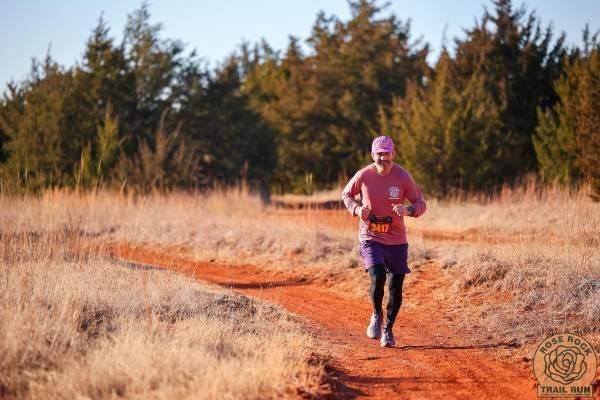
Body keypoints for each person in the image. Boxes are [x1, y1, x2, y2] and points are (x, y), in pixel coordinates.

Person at [341, 135, 426, 347]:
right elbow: (346, 194)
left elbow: (420, 202)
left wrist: (408, 210)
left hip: (396, 239)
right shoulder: (363, 175)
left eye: (386, 154)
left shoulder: (403, 177)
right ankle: (377, 314)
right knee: (377, 276)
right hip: (371, 236)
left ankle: (388, 329)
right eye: (379, 154)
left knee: (395, 286)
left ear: (393, 154)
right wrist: (357, 209)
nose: (383, 158)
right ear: (373, 155)